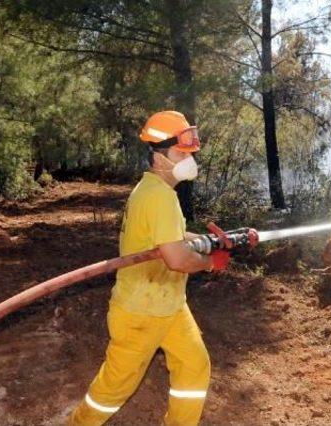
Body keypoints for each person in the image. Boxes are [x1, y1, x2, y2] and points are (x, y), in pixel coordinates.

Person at [69, 111, 258, 425]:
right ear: (159, 158)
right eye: (180, 153)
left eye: (189, 153)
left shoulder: (155, 191)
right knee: (112, 391)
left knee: (194, 365)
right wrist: (212, 262)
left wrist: (212, 240)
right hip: (141, 311)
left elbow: (170, 238)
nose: (188, 159)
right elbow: (177, 259)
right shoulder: (159, 197)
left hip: (168, 304)